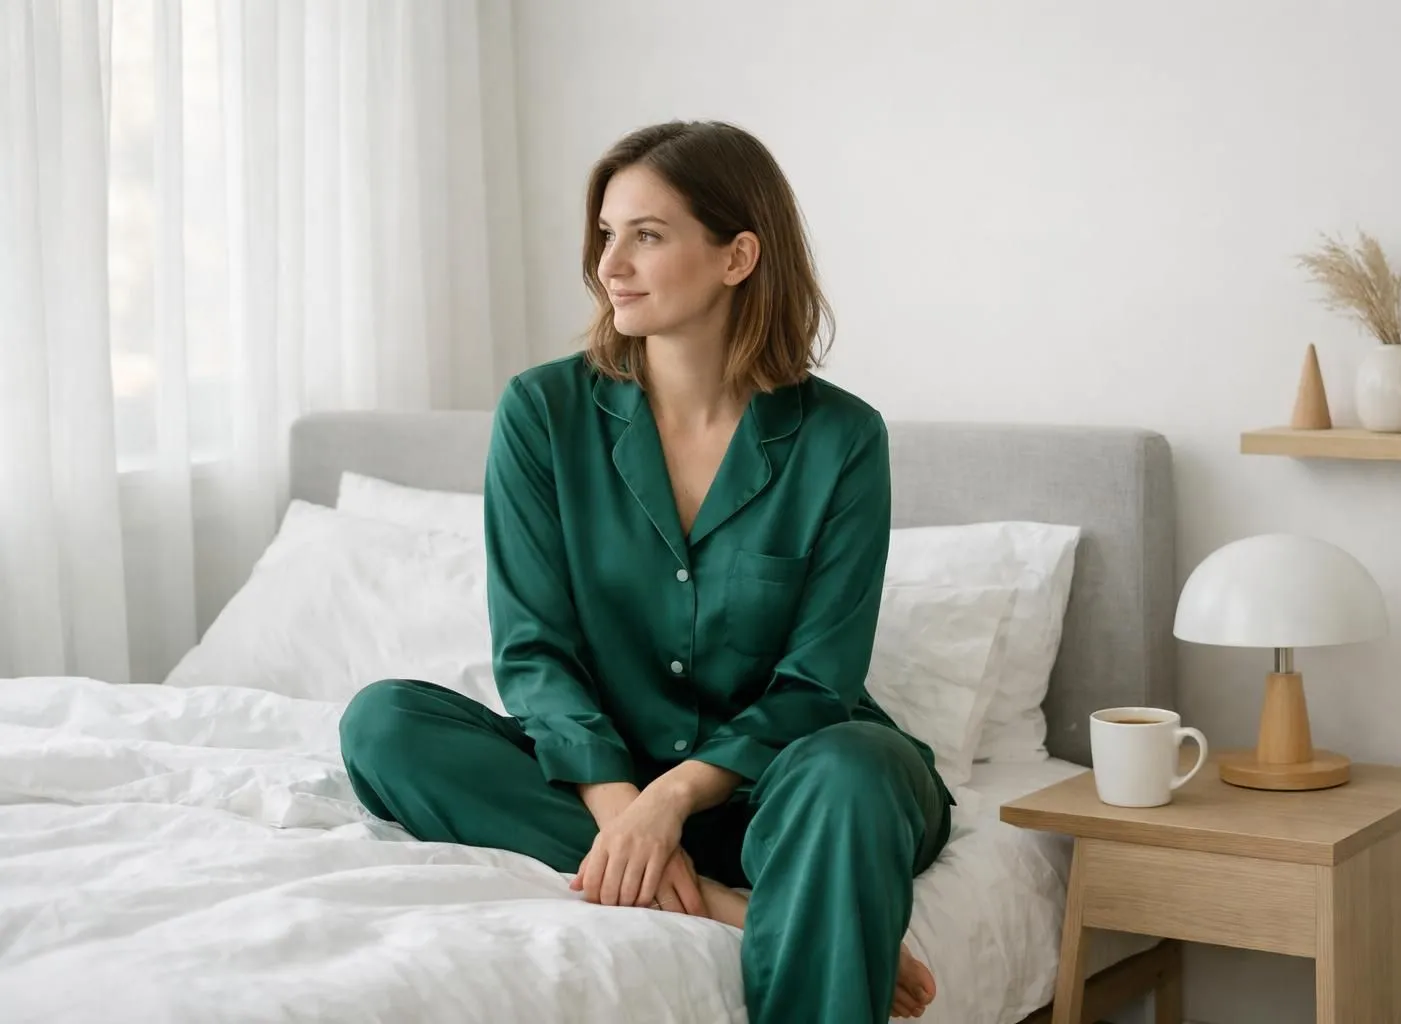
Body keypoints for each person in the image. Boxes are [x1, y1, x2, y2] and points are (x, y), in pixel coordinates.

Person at [338, 119, 954, 1023]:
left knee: (853, 771)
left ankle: (759, 879)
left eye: (646, 235)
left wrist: (674, 799)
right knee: (384, 723)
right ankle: (729, 903)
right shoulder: (543, 413)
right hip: (606, 784)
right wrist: (632, 812)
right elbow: (534, 652)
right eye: (605, 235)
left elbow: (822, 681)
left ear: (738, 255)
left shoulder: (841, 439)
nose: (608, 265)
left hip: (790, 787)